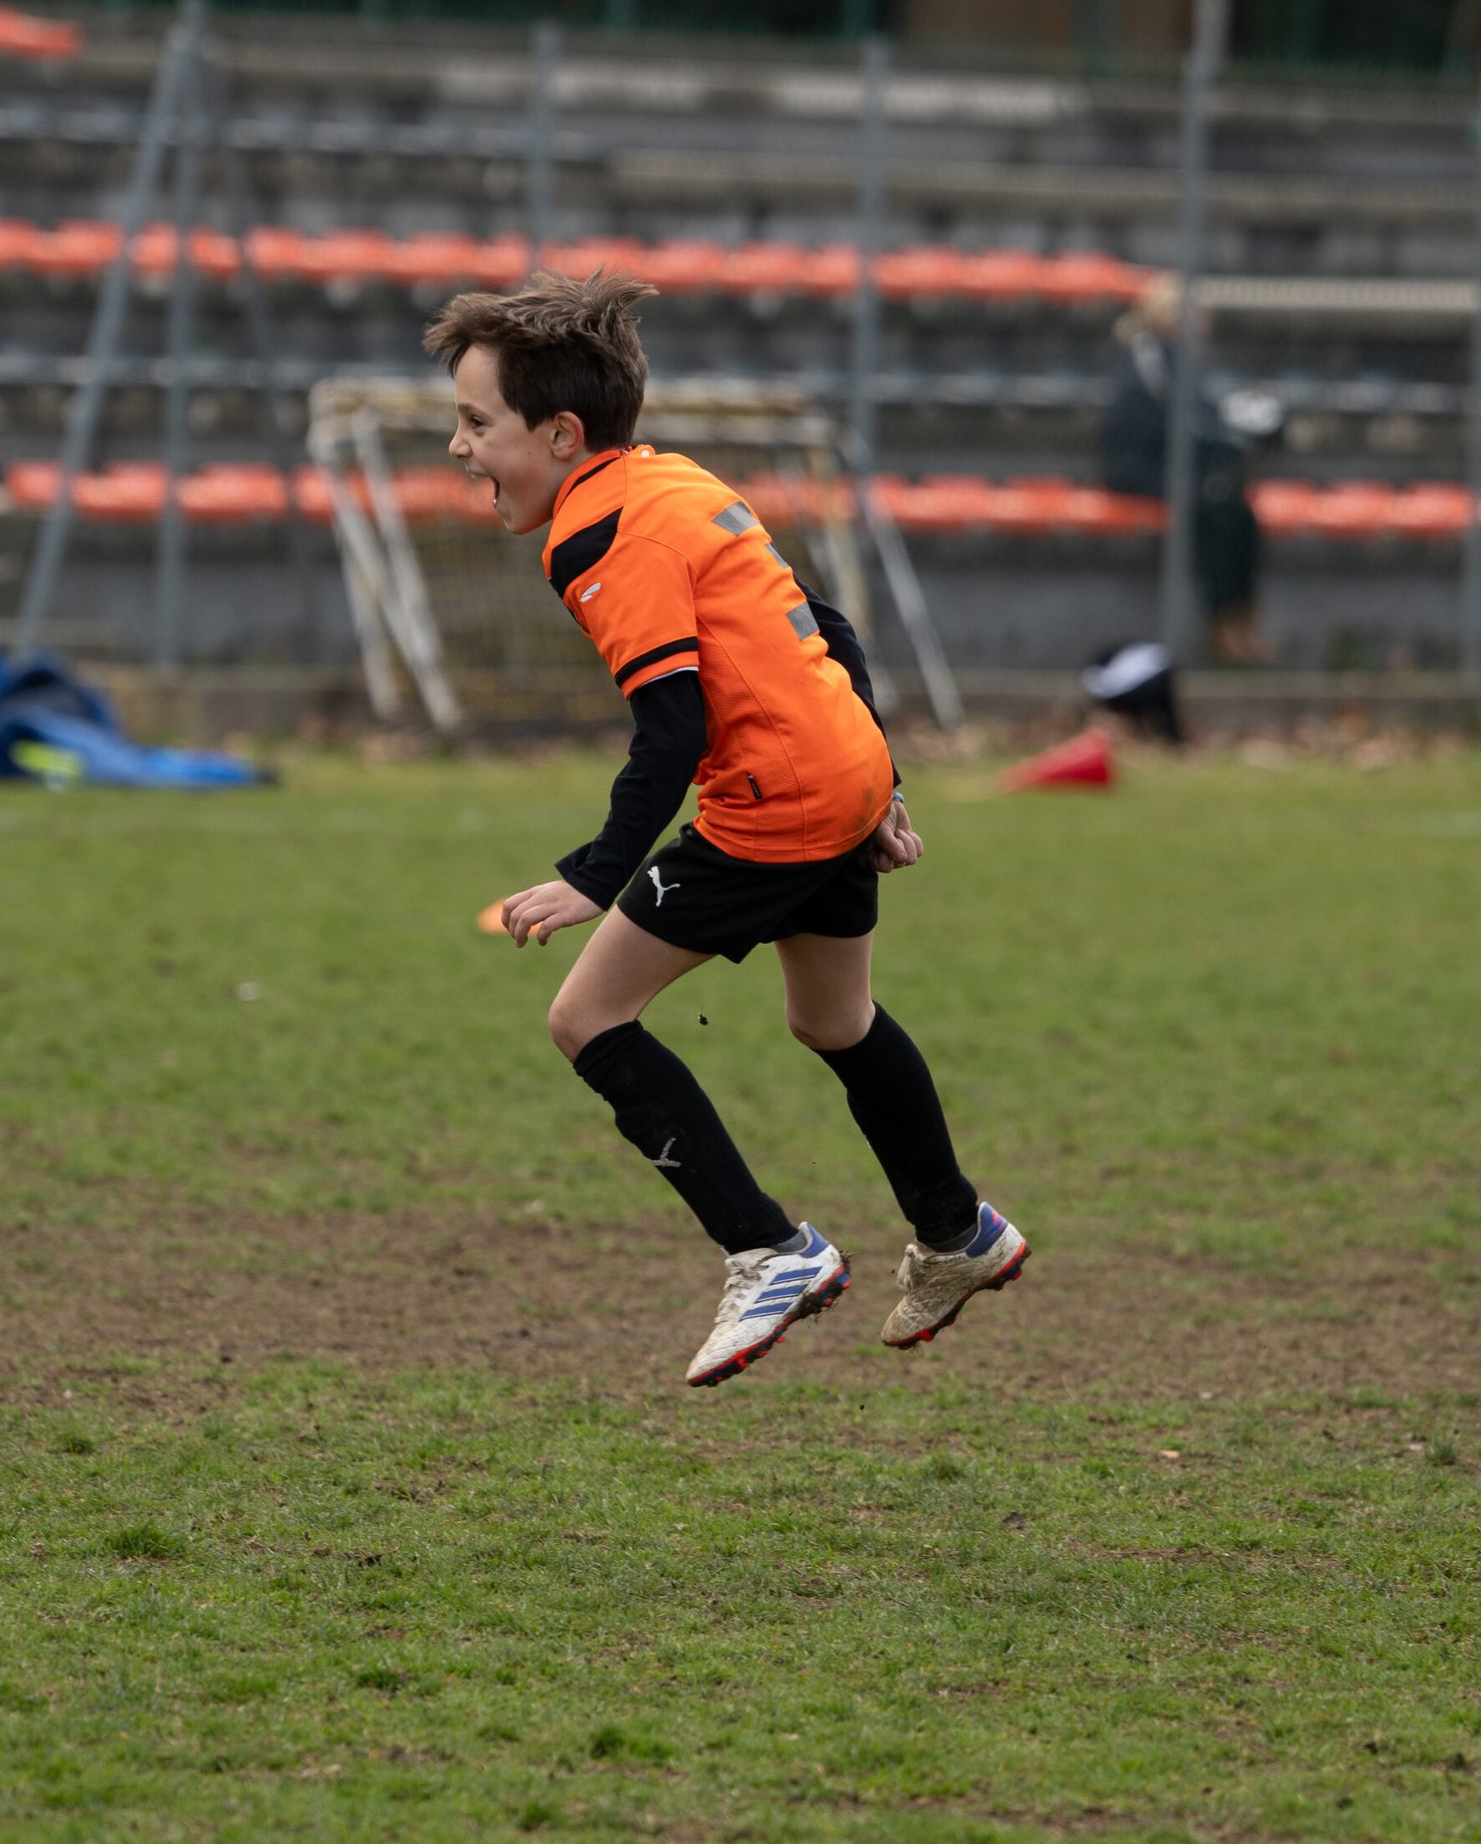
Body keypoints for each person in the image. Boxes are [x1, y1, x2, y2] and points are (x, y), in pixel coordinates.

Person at [425, 270, 1028, 1388]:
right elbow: (825, 626)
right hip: (838, 770)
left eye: (475, 422)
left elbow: (670, 733)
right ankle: (960, 1236)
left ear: (560, 435)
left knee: (586, 1017)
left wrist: (595, 877)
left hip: (778, 804)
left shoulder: (599, 537)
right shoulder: (671, 479)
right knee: (834, 1018)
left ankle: (767, 1251)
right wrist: (880, 778)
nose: (456, 447)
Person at [1100, 274, 1274, 664]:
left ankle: (1241, 615)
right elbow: (1176, 420)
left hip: (1171, 465)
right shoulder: (1147, 357)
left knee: (1239, 512)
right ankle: (1219, 622)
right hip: (1138, 468)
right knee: (1213, 508)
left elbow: (1203, 412)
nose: (1203, 324)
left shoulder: (1180, 359)